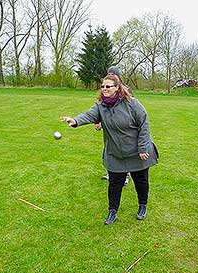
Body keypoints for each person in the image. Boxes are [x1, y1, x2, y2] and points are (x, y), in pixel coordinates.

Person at [61, 75, 158, 225]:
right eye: (103, 87)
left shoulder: (131, 103)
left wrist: (143, 147)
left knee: (141, 180)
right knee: (114, 183)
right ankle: (112, 211)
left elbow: (144, 125)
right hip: (115, 153)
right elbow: (89, 115)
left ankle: (142, 206)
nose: (105, 89)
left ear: (117, 88)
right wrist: (75, 120)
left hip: (137, 151)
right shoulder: (101, 106)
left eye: (108, 86)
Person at [96, 66, 133, 185]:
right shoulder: (107, 89)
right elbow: (103, 108)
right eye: (109, 74)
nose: (111, 76)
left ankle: (125, 176)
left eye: (113, 74)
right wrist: (100, 122)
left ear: (118, 76)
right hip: (109, 126)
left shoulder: (126, 89)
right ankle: (110, 173)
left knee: (123, 151)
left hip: (122, 127)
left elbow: (130, 109)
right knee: (109, 150)